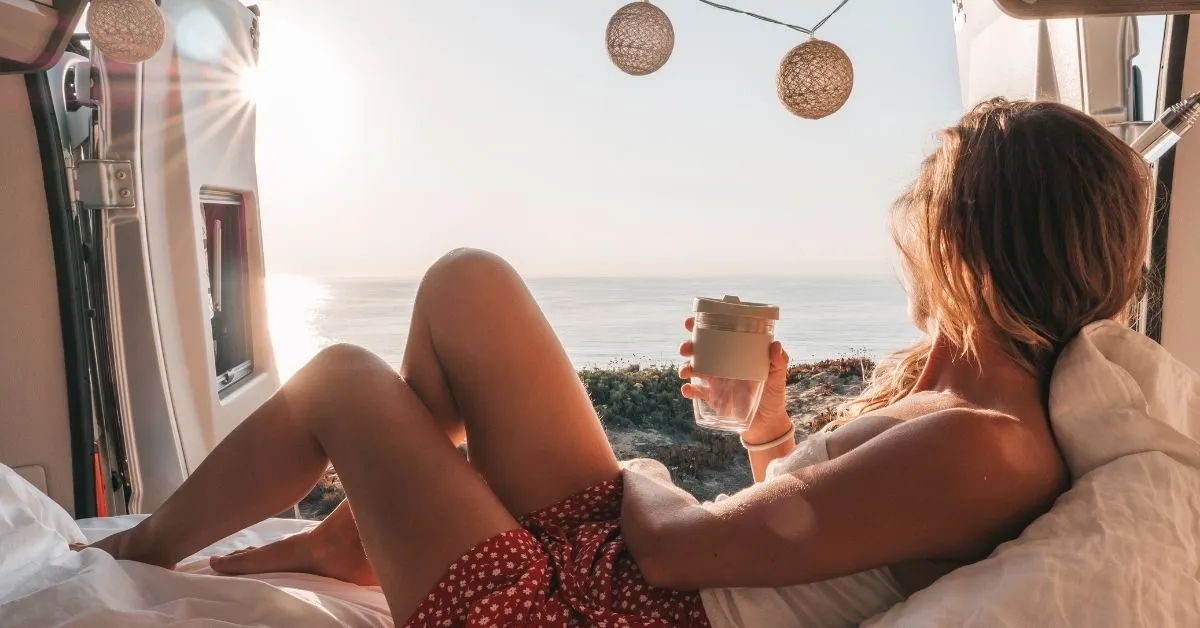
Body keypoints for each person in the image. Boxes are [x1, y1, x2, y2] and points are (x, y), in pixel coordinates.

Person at [88, 98, 1150, 627]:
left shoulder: (992, 447)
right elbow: (833, 544)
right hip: (629, 577)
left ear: (965, 240)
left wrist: (647, 474)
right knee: (469, 283)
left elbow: (689, 553)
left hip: (612, 614)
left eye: (924, 218)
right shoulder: (953, 391)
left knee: (340, 381)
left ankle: (135, 548)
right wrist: (768, 431)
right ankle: (346, 540)